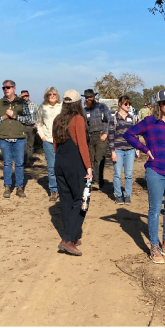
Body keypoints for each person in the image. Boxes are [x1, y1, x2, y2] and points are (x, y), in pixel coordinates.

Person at [123, 89, 165, 264]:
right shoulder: (149, 122)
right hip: (155, 170)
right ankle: (154, 247)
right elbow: (128, 134)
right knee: (154, 210)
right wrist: (145, 149)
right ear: (159, 105)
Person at [53, 90, 92, 256]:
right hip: (75, 163)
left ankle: (72, 234)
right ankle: (67, 239)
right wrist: (88, 167)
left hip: (60, 163)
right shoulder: (78, 119)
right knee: (83, 200)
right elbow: (82, 145)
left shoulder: (57, 119)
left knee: (66, 200)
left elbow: (54, 144)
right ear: (77, 103)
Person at [0, 79, 33, 198]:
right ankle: (7, 187)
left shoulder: (22, 103)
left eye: (8, 87)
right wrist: (4, 116)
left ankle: (19, 187)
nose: (5, 90)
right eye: (3, 88)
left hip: (19, 137)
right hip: (4, 138)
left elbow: (29, 119)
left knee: (19, 164)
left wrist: (15, 116)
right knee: (7, 163)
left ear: (14, 88)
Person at [108, 96, 138, 205]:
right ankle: (119, 195)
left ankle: (127, 195)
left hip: (130, 150)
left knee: (129, 174)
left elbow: (135, 134)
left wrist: (137, 149)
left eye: (129, 104)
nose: (128, 106)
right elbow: (110, 136)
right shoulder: (114, 119)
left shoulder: (132, 118)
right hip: (118, 150)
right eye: (126, 104)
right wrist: (112, 152)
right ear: (120, 104)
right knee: (117, 174)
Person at [36, 87, 62, 200]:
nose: (52, 96)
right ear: (46, 96)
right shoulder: (42, 107)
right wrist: (42, 137)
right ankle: (53, 190)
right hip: (48, 141)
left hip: (61, 141)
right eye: (50, 94)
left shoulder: (62, 106)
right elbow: (39, 123)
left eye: (54, 94)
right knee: (51, 167)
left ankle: (63, 189)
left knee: (62, 166)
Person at [82, 89, 111, 188]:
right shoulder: (84, 110)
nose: (88, 98)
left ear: (94, 96)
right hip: (90, 136)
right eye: (86, 97)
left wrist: (106, 133)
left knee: (99, 158)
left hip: (101, 135)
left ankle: (97, 181)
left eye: (90, 96)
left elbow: (109, 121)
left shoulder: (102, 107)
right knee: (91, 158)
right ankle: (94, 178)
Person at [21, 90, 40, 165]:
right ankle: (24, 161)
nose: (25, 97)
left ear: (29, 96)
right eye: (23, 96)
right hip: (22, 126)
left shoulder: (34, 105)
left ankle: (29, 160)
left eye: (26, 96)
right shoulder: (20, 106)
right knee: (23, 144)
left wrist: (36, 126)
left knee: (30, 145)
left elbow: (38, 116)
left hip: (31, 127)